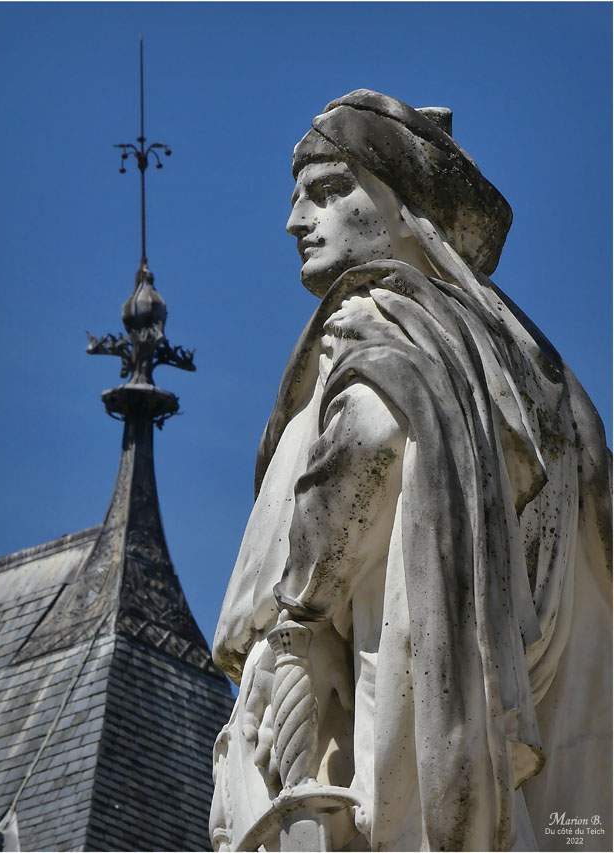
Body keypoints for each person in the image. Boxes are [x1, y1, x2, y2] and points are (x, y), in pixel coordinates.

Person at [210, 90, 611, 852]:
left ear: (405, 209)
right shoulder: (540, 380)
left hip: (390, 767)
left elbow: (368, 434)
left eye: (330, 190)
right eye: (299, 198)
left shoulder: (387, 323)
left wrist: (300, 616)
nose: (297, 221)